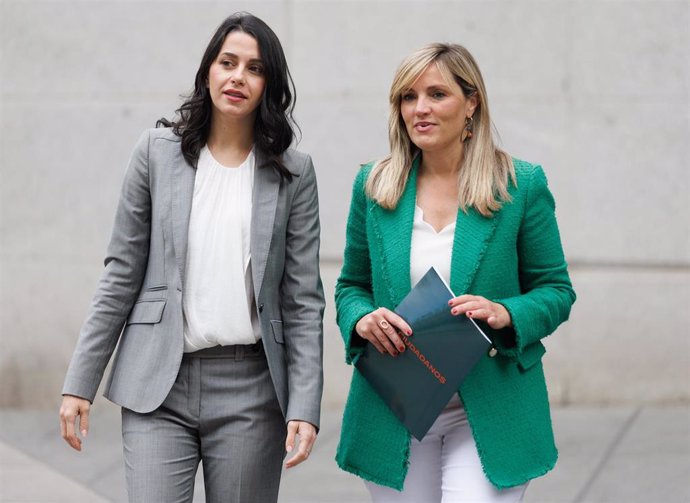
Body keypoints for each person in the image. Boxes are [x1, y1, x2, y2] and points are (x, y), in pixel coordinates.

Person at [59, 12, 324, 503]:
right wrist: (79, 382)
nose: (238, 77)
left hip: (251, 388)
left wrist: (304, 406)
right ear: (209, 70)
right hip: (157, 381)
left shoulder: (293, 173)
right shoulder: (156, 153)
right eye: (228, 62)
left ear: (270, 84)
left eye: (255, 68)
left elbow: (303, 300)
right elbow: (121, 274)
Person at [334, 42, 576, 502]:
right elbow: (352, 287)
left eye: (436, 94)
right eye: (408, 96)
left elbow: (556, 290)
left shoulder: (520, 185)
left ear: (471, 103)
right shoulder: (375, 185)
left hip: (487, 406)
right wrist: (362, 320)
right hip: (398, 404)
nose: (419, 108)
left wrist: (506, 312)